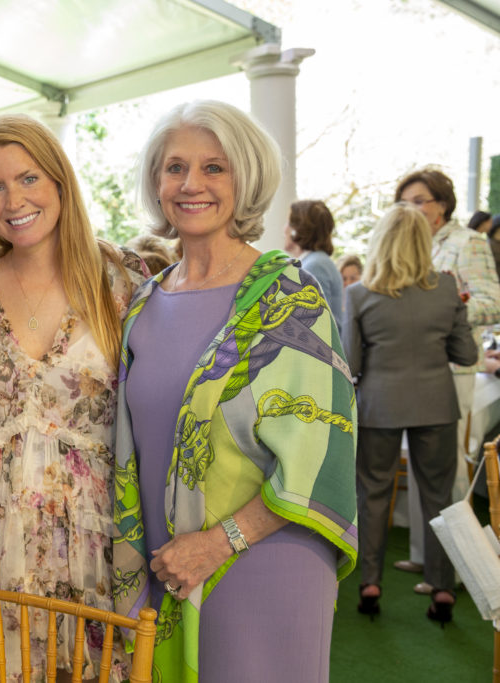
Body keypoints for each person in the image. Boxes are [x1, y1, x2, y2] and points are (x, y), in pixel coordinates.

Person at [112, 101, 357, 683]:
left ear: (245, 179)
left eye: (214, 168)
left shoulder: (288, 297)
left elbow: (322, 454)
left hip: (265, 560)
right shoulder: (145, 303)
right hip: (166, 564)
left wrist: (218, 543)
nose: (191, 184)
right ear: (156, 182)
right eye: (175, 168)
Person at [0, 113, 147, 681]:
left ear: (60, 180)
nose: (13, 199)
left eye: (28, 178)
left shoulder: (120, 279)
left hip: (97, 537)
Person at [343, 202, 477, 627]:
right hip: (436, 403)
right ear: (425, 243)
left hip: (378, 405)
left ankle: (370, 582)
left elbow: (351, 363)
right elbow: (466, 353)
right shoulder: (447, 288)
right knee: (439, 497)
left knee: (373, 494)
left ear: (379, 242)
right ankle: (441, 587)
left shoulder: (359, 294)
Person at [393, 168, 500, 585]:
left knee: (447, 469)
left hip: (453, 367)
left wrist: (443, 313)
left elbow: (493, 302)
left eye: (420, 201)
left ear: (442, 204)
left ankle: (454, 569)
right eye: (405, 203)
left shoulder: (468, 242)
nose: (413, 209)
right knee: (422, 467)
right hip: (410, 369)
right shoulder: (406, 245)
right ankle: (424, 556)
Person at [283, 199, 345, 328]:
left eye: (289, 223)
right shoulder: (316, 262)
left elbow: (315, 323)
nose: (284, 229)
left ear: (297, 230)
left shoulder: (314, 266)